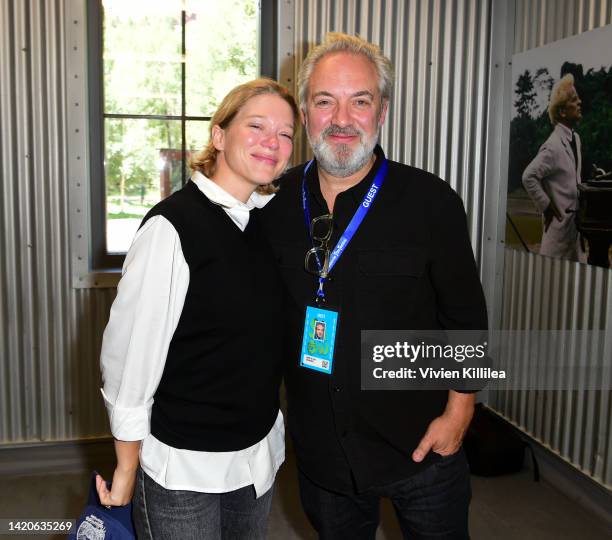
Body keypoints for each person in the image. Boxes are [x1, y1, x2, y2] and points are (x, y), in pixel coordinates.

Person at [259, 33, 488, 539]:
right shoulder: (273, 207)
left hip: (422, 445)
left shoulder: (432, 202)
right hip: (323, 456)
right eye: (325, 101)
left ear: (381, 111)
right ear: (304, 113)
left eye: (359, 101)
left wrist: (460, 411)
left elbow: (466, 317)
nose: (342, 119)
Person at [97, 78, 298, 539]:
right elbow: (130, 355)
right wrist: (127, 465)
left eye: (286, 133)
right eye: (257, 126)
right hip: (183, 470)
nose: (273, 141)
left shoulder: (265, 222)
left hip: (255, 458)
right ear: (219, 136)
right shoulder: (172, 227)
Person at [522, 73, 585, 262]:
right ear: (563, 112)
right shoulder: (553, 146)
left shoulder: (577, 139)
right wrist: (547, 206)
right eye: (574, 100)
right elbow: (528, 176)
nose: (580, 102)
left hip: (575, 235)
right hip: (557, 238)